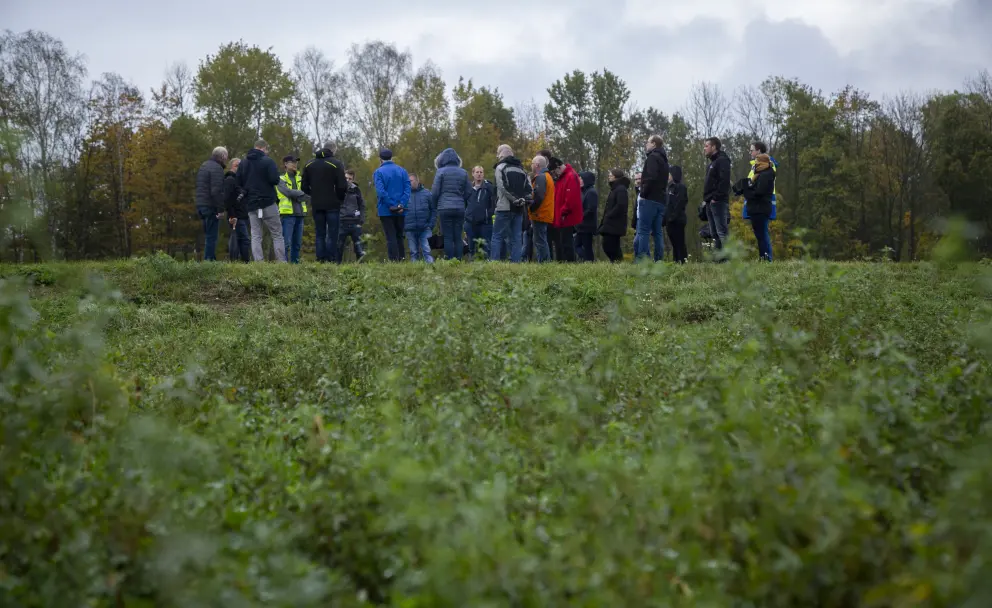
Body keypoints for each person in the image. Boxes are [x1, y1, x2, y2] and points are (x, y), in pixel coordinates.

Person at [237, 139, 286, 263]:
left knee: (255, 235)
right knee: (277, 233)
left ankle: (259, 262)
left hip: (252, 203)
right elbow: (274, 179)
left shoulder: (243, 163)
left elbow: (239, 182)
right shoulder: (268, 161)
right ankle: (281, 262)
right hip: (268, 201)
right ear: (264, 148)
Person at [302, 140, 348, 263]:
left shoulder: (309, 164)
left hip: (317, 204)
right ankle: (331, 259)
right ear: (333, 150)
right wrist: (340, 198)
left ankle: (320, 258)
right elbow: (342, 185)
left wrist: (314, 194)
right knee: (332, 233)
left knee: (320, 232)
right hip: (333, 204)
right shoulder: (336, 164)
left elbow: (304, 186)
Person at [490, 144, 529, 263]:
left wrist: (515, 199)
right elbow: (528, 188)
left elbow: (502, 187)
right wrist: (523, 200)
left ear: (501, 155)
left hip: (504, 208)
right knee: (516, 238)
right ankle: (515, 263)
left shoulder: (500, 167)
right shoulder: (521, 169)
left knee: (497, 236)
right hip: (518, 209)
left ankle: (494, 262)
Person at [431, 148, 472, 260]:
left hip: (444, 208)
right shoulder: (463, 172)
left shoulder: (441, 172)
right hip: (459, 208)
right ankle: (458, 260)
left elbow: (434, 192)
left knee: (448, 236)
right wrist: (461, 200)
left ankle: (450, 260)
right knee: (458, 236)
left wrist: (434, 206)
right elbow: (469, 191)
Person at [734, 153, 776, 261]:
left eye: (757, 161)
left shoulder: (766, 175)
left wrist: (747, 190)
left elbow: (760, 191)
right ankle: (763, 257)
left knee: (762, 235)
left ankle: (766, 259)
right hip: (756, 208)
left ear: (762, 162)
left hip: (760, 208)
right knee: (760, 235)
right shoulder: (760, 174)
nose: (755, 164)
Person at [634, 135, 669, 261]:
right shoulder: (664, 160)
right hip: (660, 200)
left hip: (649, 200)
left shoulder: (652, 158)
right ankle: (658, 260)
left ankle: (643, 261)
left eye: (647, 142)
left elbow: (651, 178)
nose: (646, 145)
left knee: (643, 231)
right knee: (658, 232)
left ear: (654, 144)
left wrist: (643, 194)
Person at [373, 148, 410, 262]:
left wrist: (391, 205)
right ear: (391, 158)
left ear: (380, 159)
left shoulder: (378, 172)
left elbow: (381, 191)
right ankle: (402, 258)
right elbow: (407, 189)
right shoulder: (402, 171)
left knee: (390, 236)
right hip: (401, 209)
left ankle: (393, 260)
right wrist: (400, 204)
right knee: (399, 235)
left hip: (385, 209)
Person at [195, 146, 228, 261]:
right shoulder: (217, 169)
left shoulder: (204, 166)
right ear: (222, 156)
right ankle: (209, 261)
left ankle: (209, 259)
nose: (226, 160)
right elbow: (216, 191)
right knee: (211, 236)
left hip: (200, 204)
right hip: (210, 206)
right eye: (226, 157)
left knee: (208, 234)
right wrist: (220, 209)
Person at [702, 136, 732, 256]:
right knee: (714, 233)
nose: (704, 149)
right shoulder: (712, 163)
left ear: (714, 147)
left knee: (722, 232)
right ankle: (719, 259)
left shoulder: (722, 160)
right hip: (710, 202)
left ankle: (729, 259)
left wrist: (716, 198)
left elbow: (724, 181)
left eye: (706, 146)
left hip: (718, 202)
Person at [548, 157, 581, 262]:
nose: (554, 175)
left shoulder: (571, 176)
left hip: (566, 216)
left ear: (558, 167)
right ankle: (563, 263)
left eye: (554, 172)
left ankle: (571, 263)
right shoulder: (562, 178)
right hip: (560, 216)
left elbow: (571, 199)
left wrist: (562, 212)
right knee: (561, 242)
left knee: (567, 242)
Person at [277, 155, 308, 264]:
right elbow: (287, 192)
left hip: (300, 214)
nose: (295, 164)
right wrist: (301, 194)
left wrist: (297, 194)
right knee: (286, 242)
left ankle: (295, 264)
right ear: (285, 164)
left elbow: (308, 194)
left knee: (297, 243)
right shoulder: (280, 179)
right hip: (287, 214)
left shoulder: (301, 178)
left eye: (296, 162)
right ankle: (283, 264)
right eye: (292, 162)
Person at [404, 172, 436, 263]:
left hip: (425, 228)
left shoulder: (427, 194)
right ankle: (414, 272)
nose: (408, 183)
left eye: (410, 181)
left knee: (427, 251)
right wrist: (404, 226)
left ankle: (431, 269)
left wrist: (431, 225)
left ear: (417, 181)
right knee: (413, 252)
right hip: (410, 228)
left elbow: (433, 209)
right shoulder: (404, 195)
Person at [464, 166, 495, 259]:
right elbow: (465, 203)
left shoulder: (488, 187)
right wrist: (467, 216)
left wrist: (487, 214)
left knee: (486, 247)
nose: (479, 174)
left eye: (481, 172)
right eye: (477, 172)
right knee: (471, 248)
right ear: (473, 174)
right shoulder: (468, 188)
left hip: (485, 223)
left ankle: (487, 267)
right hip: (471, 222)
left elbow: (493, 203)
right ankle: (472, 267)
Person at [599, 168, 630, 262]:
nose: (609, 176)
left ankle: (617, 262)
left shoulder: (621, 189)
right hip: (610, 223)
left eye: (610, 175)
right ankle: (616, 262)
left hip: (615, 223)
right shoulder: (615, 189)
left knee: (610, 245)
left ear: (616, 177)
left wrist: (610, 215)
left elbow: (621, 205)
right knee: (609, 245)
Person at [223, 158, 251, 263]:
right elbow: (227, 199)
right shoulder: (230, 180)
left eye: (241, 165)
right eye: (237, 165)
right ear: (231, 167)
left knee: (241, 239)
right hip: (236, 216)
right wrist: (231, 215)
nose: (239, 167)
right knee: (244, 239)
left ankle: (239, 262)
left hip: (243, 215)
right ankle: (244, 262)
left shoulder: (241, 181)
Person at [744, 141, 778, 223]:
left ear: (758, 151)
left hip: (762, 201)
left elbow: (764, 182)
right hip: (755, 200)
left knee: (762, 230)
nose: (750, 152)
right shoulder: (756, 165)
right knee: (758, 230)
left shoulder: (766, 164)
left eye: (752, 150)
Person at [529, 155, 555, 263]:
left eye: (532, 164)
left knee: (540, 241)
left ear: (537, 165)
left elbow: (539, 196)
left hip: (540, 214)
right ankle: (545, 263)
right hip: (545, 213)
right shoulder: (548, 176)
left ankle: (544, 264)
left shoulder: (541, 177)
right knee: (541, 240)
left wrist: (532, 208)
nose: (531, 166)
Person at [337, 169, 367, 262]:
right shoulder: (338, 189)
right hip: (341, 221)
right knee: (338, 246)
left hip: (355, 222)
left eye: (350, 179)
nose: (347, 180)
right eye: (346, 178)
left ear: (353, 180)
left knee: (359, 246)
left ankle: (360, 266)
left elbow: (362, 205)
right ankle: (336, 265)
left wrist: (361, 219)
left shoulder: (357, 190)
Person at [664, 165, 689, 264]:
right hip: (669, 221)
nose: (667, 176)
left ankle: (682, 261)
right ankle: (676, 261)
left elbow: (681, 202)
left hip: (678, 220)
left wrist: (673, 216)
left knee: (680, 242)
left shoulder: (681, 187)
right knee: (674, 243)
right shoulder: (668, 188)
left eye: (669, 174)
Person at [576, 171, 598, 262]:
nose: (579, 180)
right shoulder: (584, 192)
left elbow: (591, 209)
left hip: (587, 225)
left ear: (586, 180)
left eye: (581, 179)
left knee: (586, 246)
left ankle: (589, 261)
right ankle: (587, 260)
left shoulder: (591, 192)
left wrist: (580, 216)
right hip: (582, 225)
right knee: (577, 245)